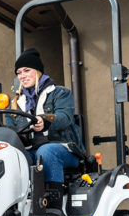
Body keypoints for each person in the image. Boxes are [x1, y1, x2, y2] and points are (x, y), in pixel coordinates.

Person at [12, 48, 86, 191]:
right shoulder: (15, 102)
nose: (22, 76)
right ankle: (18, 203)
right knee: (12, 156)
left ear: (38, 71)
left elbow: (65, 118)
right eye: (19, 73)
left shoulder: (60, 93)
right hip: (31, 149)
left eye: (27, 70)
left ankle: (53, 203)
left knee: (46, 152)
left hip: (63, 148)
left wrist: (46, 121)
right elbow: (11, 129)